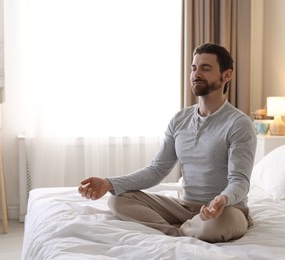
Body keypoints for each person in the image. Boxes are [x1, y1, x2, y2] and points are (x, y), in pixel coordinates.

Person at [78, 43, 257, 243]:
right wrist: (108, 183)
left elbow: (240, 181)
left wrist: (222, 199)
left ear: (226, 75)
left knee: (223, 222)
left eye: (205, 68)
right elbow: (157, 170)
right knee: (118, 200)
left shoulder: (239, 124)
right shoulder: (180, 119)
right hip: (184, 207)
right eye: (194, 68)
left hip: (226, 210)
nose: (196, 74)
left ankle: (191, 228)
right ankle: (179, 232)